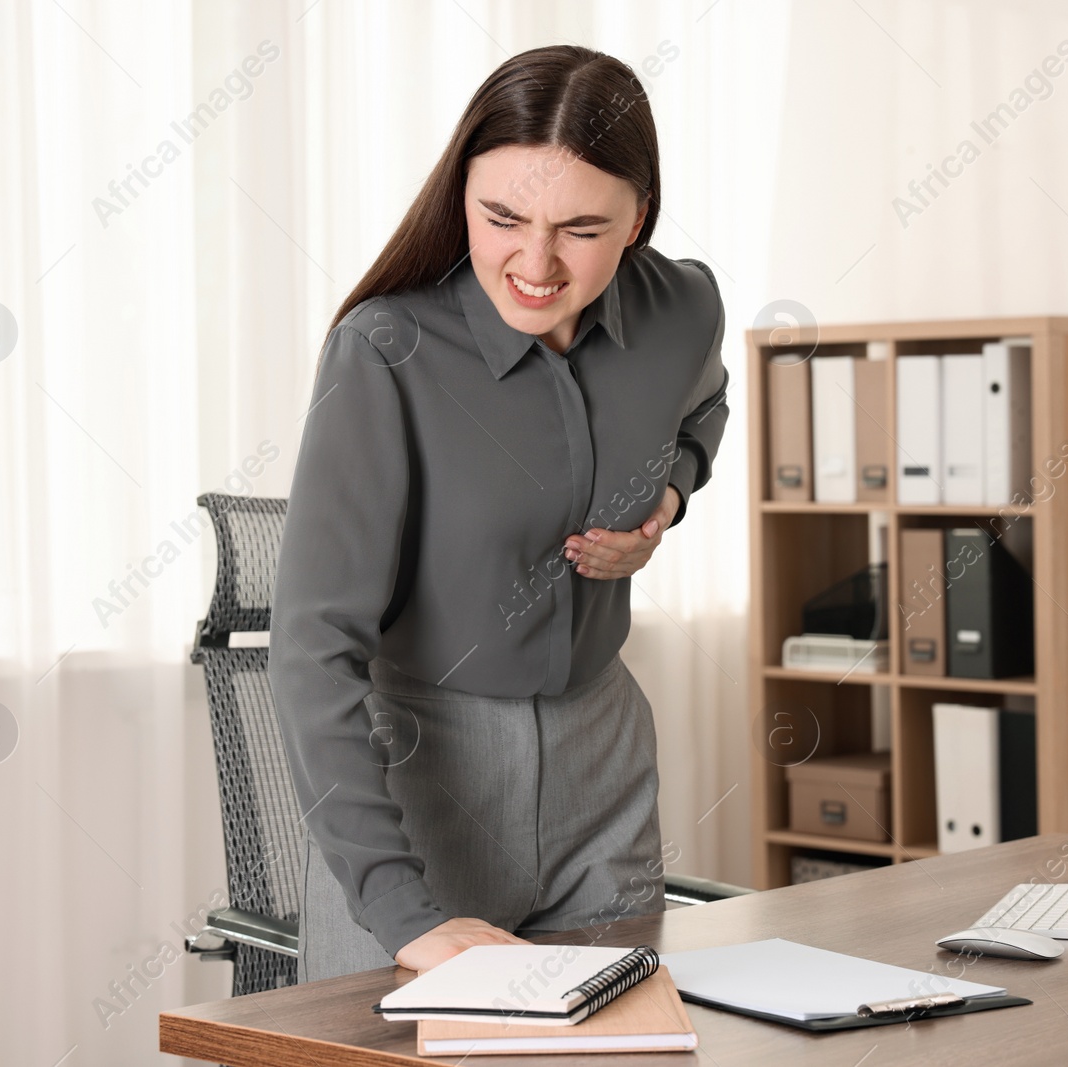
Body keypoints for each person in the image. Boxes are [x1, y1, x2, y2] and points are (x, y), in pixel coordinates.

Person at [270, 43, 729, 981]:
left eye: (582, 228)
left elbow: (706, 405)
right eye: (503, 217)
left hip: (604, 765)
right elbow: (312, 649)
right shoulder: (384, 351)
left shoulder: (682, 307)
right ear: (461, 196)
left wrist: (668, 497)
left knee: (619, 1049)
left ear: (639, 215)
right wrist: (399, 910)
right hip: (424, 779)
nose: (536, 261)